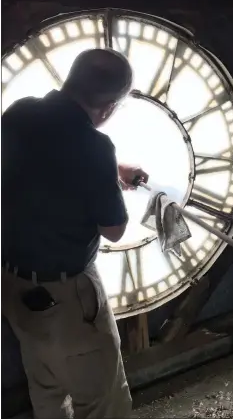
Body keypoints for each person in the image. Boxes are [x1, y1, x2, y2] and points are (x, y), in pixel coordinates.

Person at [2, 48, 149, 419]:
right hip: (68, 298)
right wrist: (107, 174)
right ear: (109, 107)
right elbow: (114, 230)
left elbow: (48, 157)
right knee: (103, 404)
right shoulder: (95, 147)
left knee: (48, 394)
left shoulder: (19, 113)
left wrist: (112, 170)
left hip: (14, 285)